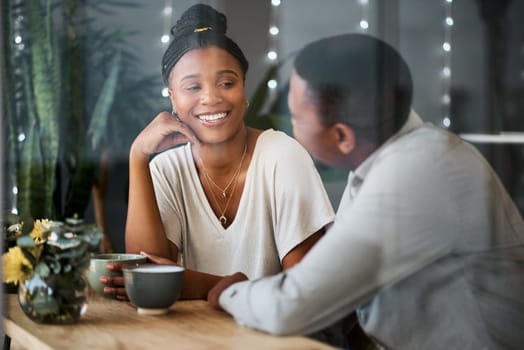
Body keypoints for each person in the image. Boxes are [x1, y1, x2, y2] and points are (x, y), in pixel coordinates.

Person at [208, 33, 524, 349]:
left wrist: (229, 293)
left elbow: (292, 306)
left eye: (297, 118)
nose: (291, 126)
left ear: (342, 136)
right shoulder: (391, 157)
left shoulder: (413, 173)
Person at [100, 4, 334, 300]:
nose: (211, 97)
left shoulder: (282, 156)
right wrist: (138, 156)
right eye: (193, 86)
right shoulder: (166, 170)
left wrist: (196, 285)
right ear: (172, 98)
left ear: (243, 89)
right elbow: (144, 282)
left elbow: (306, 293)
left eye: (226, 82)